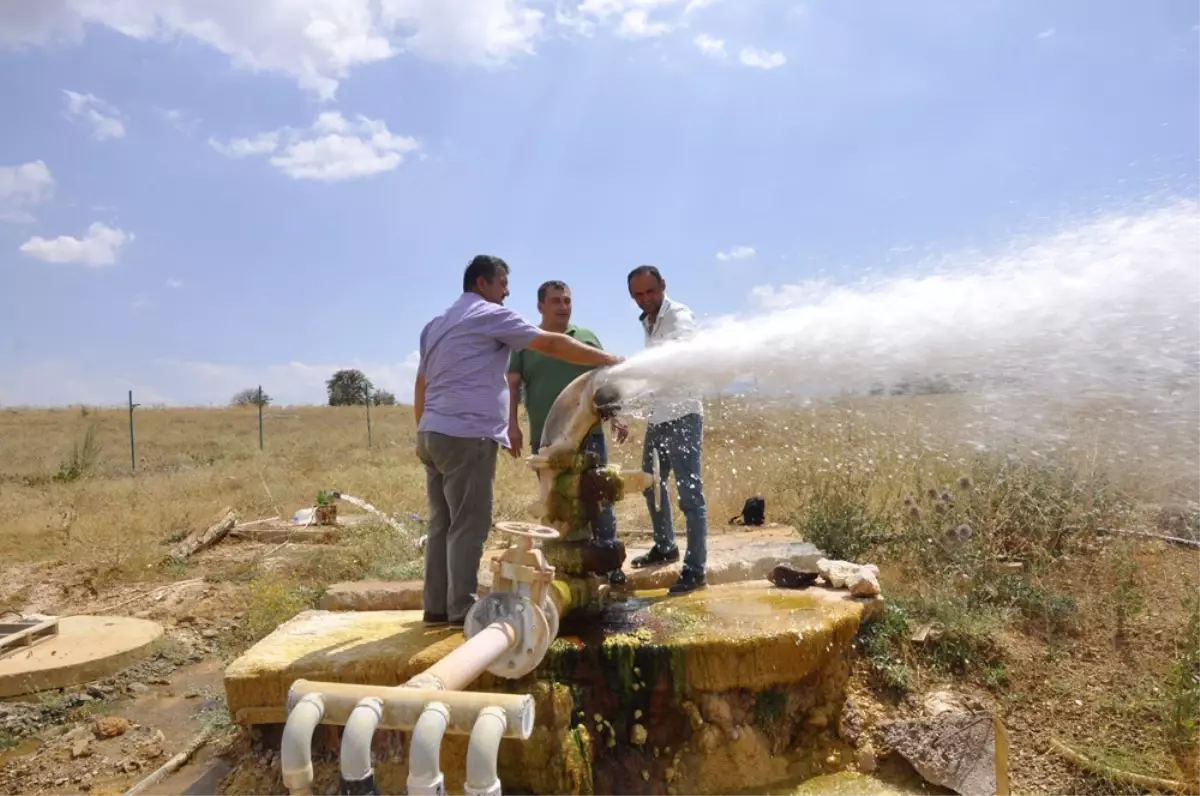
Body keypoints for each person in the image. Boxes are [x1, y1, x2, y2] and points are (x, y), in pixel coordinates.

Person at [414, 256, 623, 628]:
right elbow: (549, 344)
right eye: (502, 283)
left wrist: (423, 429)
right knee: (469, 525)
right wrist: (609, 358)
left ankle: (435, 608)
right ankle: (461, 610)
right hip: (467, 434)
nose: (507, 291)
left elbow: (421, 383)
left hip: (433, 433)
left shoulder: (436, 324)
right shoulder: (488, 314)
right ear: (482, 283)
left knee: (441, 524)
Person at [506, 280, 631, 585]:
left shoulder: (587, 338)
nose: (563, 306)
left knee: (599, 498)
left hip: (591, 438)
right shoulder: (527, 342)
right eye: (556, 301)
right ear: (540, 307)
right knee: (557, 502)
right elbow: (512, 385)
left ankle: (609, 564)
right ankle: (566, 567)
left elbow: (605, 382)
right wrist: (511, 425)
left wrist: (617, 417)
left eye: (567, 301)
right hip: (547, 442)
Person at [625, 265, 709, 595]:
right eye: (639, 295)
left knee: (690, 495)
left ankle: (695, 569)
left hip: (684, 416)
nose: (646, 299)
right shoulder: (648, 321)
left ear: (663, 286)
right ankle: (665, 546)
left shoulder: (678, 316)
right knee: (651, 485)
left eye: (651, 291)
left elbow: (682, 349)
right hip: (658, 417)